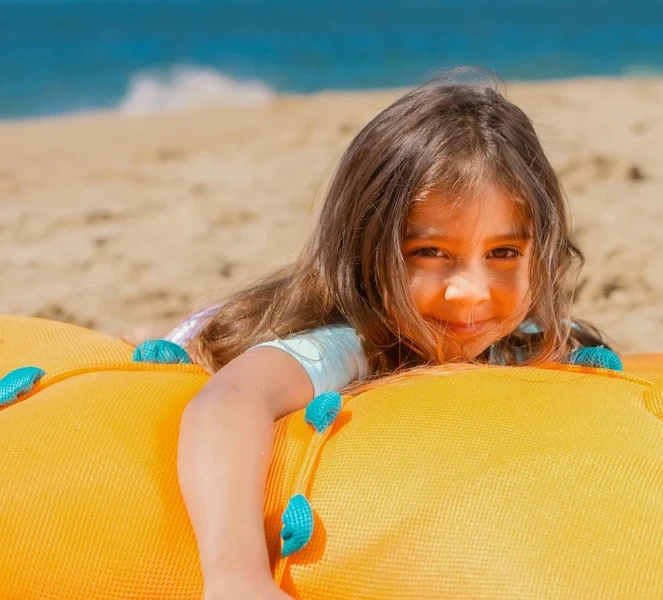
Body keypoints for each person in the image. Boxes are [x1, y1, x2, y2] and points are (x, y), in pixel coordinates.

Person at [176, 70, 608, 600]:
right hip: (229, 331)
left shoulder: (532, 338)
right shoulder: (352, 343)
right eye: (430, 253)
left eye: (503, 253)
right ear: (366, 247)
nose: (471, 292)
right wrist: (235, 577)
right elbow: (228, 400)